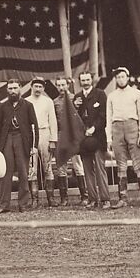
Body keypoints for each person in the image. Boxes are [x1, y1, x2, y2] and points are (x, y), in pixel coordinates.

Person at [105, 66, 140, 207]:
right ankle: (123, 198)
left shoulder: (136, 93)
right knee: (121, 165)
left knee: (137, 164)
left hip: (132, 127)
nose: (120, 79)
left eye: (123, 76)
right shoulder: (112, 96)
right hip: (117, 128)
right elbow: (108, 118)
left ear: (128, 77)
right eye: (118, 77)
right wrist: (109, 138)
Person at [0, 79, 38, 212]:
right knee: (5, 173)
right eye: (10, 88)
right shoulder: (3, 106)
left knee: (23, 173)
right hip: (7, 139)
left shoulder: (27, 105)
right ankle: (4, 205)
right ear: (7, 90)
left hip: (22, 139)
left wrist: (34, 146)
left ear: (20, 88)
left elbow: (34, 127)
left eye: (15, 88)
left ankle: (23, 204)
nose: (13, 91)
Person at [76, 72, 113, 209]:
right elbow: (75, 118)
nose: (85, 82)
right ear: (79, 81)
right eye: (83, 80)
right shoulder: (78, 97)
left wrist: (94, 128)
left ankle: (105, 199)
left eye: (87, 79)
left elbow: (104, 115)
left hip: (97, 137)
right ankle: (92, 199)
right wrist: (75, 106)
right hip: (83, 139)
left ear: (92, 80)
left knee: (99, 168)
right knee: (87, 169)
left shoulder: (100, 94)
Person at [53, 77, 87, 206]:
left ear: (68, 85)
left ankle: (84, 196)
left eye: (63, 85)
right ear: (56, 86)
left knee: (78, 166)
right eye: (59, 85)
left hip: (74, 136)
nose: (62, 88)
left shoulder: (76, 98)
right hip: (62, 135)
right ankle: (64, 198)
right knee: (61, 166)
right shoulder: (55, 102)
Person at [25, 78, 59, 207]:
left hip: (45, 133)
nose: (38, 89)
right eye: (36, 86)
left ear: (43, 88)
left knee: (48, 166)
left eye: (40, 87)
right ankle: (35, 199)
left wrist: (53, 140)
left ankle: (51, 198)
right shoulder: (26, 101)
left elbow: (53, 121)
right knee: (32, 167)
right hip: (32, 134)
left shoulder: (48, 101)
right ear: (31, 87)